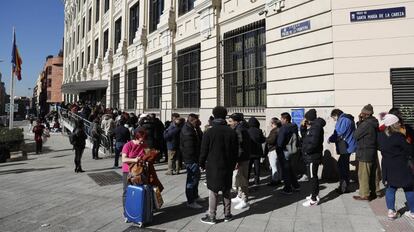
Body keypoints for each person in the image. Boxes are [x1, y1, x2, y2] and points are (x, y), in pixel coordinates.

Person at [200, 106, 238, 224]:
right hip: (227, 165)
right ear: (225, 116)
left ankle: (212, 216)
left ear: (214, 115)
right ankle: (227, 214)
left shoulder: (209, 131)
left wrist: (201, 163)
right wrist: (233, 164)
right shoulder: (231, 131)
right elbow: (235, 150)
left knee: (213, 191)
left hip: (213, 165)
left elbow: (204, 150)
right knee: (226, 190)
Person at [121, 129, 164, 222]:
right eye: (141, 140)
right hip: (128, 172)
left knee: (141, 191)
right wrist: (134, 160)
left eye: (144, 140)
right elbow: (123, 159)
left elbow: (147, 155)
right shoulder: (128, 145)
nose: (143, 142)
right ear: (136, 138)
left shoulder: (144, 145)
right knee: (127, 192)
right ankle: (127, 212)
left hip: (141, 172)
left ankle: (140, 211)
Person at [378, 114, 414, 220]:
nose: (400, 124)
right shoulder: (399, 136)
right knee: (409, 188)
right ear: (394, 124)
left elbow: (381, 148)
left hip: (387, 166)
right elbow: (409, 150)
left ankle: (391, 212)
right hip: (401, 166)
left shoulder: (381, 136)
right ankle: (412, 212)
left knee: (390, 188)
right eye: (398, 122)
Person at [353, 104, 381, 201]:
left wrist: (360, 121)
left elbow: (355, 135)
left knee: (363, 174)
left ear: (365, 114)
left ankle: (364, 194)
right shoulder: (374, 122)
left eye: (362, 113)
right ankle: (374, 192)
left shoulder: (366, 124)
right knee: (372, 174)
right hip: (372, 151)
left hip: (365, 152)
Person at [300, 109, 326, 207]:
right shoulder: (313, 127)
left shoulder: (316, 128)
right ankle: (314, 194)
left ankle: (313, 199)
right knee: (312, 177)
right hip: (311, 156)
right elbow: (305, 138)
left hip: (312, 157)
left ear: (309, 119)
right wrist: (303, 127)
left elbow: (313, 143)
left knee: (312, 177)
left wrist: (307, 151)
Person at [328, 109, 357, 194]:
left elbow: (339, 132)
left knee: (343, 167)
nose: (334, 120)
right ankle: (343, 186)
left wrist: (331, 138)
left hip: (346, 147)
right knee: (342, 165)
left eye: (334, 118)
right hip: (347, 146)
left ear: (336, 115)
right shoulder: (347, 119)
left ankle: (344, 188)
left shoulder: (344, 120)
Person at [180, 113, 203, 209]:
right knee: (191, 179)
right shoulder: (188, 131)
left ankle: (195, 196)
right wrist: (195, 159)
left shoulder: (192, 128)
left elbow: (200, 138)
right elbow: (190, 149)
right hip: (191, 159)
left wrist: (198, 127)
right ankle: (190, 200)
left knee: (196, 178)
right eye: (196, 121)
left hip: (193, 158)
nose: (197, 122)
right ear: (192, 120)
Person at [228, 113, 251, 210]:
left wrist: (237, 160)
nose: (229, 123)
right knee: (239, 178)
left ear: (236, 121)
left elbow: (240, 147)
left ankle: (245, 200)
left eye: (231, 121)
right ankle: (240, 195)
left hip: (242, 159)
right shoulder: (240, 128)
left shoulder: (239, 130)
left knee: (242, 179)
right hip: (242, 158)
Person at [277, 112, 300, 195]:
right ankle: (296, 185)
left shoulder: (284, 128)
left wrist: (278, 150)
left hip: (285, 151)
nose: (280, 120)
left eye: (281, 119)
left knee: (286, 170)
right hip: (293, 150)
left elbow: (280, 141)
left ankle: (288, 188)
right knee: (290, 169)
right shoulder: (294, 126)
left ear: (285, 119)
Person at [247, 116, 265, 186]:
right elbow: (263, 140)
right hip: (257, 152)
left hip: (249, 152)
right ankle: (257, 181)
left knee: (248, 168)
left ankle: (247, 181)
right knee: (257, 168)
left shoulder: (247, 130)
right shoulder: (259, 131)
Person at [266, 117, 282, 186]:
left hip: (273, 149)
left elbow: (271, 140)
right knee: (278, 166)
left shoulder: (274, 130)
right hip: (278, 149)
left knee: (274, 166)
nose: (270, 124)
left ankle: (275, 180)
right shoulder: (280, 129)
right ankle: (279, 179)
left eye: (270, 122)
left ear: (273, 123)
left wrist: (266, 139)